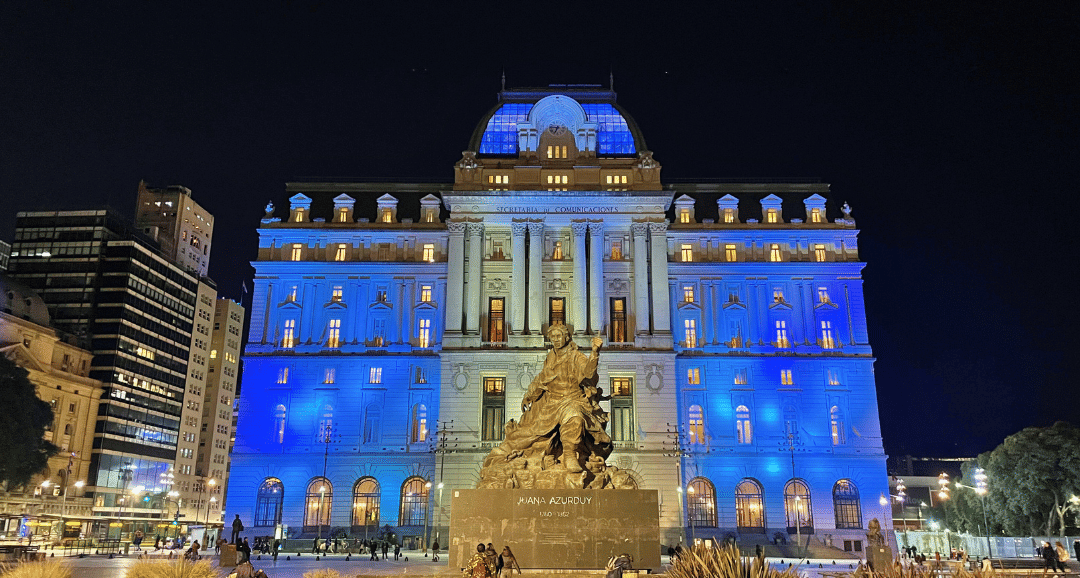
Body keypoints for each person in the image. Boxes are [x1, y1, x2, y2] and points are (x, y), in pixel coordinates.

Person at [483, 326, 610, 475]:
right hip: (552, 403)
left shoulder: (576, 356)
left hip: (572, 399)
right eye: (553, 337)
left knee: (574, 417)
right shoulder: (550, 358)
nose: (556, 339)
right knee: (530, 433)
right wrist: (529, 395)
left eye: (559, 336)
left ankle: (570, 455)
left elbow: (588, 372)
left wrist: (595, 352)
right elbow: (542, 379)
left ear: (566, 337)